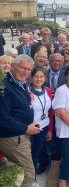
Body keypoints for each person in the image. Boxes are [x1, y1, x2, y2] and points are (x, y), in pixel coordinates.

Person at [0, 55, 42, 187]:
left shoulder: (20, 83)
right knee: (28, 175)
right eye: (23, 68)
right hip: (13, 138)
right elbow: (3, 119)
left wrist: (30, 120)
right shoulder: (4, 87)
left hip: (20, 135)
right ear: (12, 66)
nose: (26, 72)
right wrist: (26, 128)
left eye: (29, 69)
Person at [28, 66, 53, 185]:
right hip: (30, 128)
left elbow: (50, 111)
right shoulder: (25, 91)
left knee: (36, 152)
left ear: (45, 78)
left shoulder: (47, 90)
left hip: (43, 126)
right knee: (30, 154)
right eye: (36, 76)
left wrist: (50, 129)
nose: (39, 79)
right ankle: (32, 180)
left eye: (41, 76)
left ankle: (32, 177)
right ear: (31, 77)